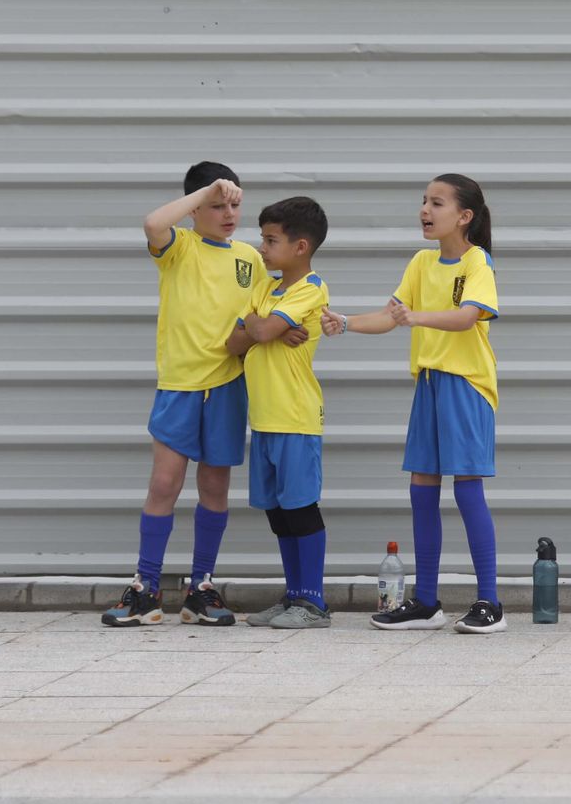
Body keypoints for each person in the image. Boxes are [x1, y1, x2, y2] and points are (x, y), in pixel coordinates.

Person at [101, 163, 304, 628]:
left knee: (214, 488)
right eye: (217, 205)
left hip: (228, 387)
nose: (229, 213)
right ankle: (145, 587)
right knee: (164, 484)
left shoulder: (250, 259)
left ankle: (201, 587)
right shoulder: (179, 246)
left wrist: (282, 332)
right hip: (180, 386)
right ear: (195, 208)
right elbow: (154, 224)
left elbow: (265, 311)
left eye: (234, 204)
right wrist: (205, 191)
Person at [321, 174, 505, 634]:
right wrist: (344, 322)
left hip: (466, 385)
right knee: (422, 490)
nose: (425, 209)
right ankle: (426, 602)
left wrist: (415, 317)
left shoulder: (477, 262)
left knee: (467, 489)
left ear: (464, 216)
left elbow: (467, 317)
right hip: (428, 382)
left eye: (436, 202)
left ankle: (490, 603)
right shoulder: (421, 263)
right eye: (423, 201)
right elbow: (390, 315)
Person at [224, 196, 333, 629]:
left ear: (300, 246)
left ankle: (314, 602)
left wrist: (262, 327)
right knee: (278, 511)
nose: (262, 248)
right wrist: (263, 329)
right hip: (264, 418)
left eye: (271, 240)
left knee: (301, 507)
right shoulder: (267, 289)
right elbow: (234, 342)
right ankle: (293, 595)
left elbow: (258, 328)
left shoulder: (312, 288)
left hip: (295, 415)